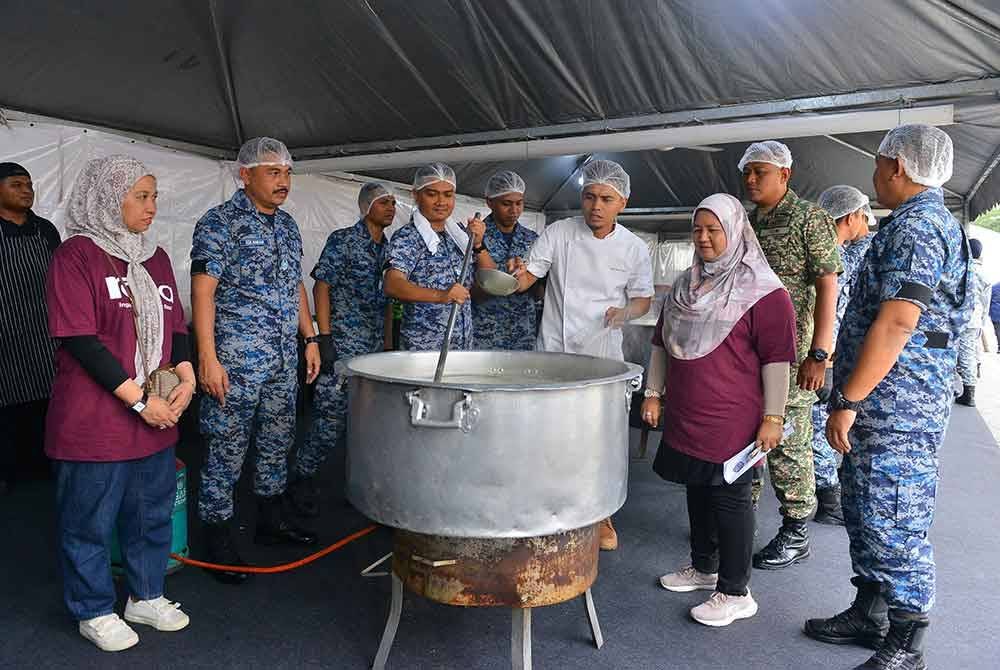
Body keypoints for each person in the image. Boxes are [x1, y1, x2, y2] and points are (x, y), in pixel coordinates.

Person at [805, 124, 969, 670]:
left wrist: (848, 400)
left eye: (878, 164)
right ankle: (870, 612)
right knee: (865, 508)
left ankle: (906, 643)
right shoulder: (913, 223)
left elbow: (899, 321)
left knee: (894, 517)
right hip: (887, 401)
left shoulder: (920, 228)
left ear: (897, 165)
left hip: (899, 406)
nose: (874, 176)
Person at [45, 156, 195, 651]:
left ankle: (146, 595)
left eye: (154, 196)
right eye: (141, 196)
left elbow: (175, 327)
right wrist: (138, 402)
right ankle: (92, 609)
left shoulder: (156, 257)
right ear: (109, 198)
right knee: (88, 521)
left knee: (151, 514)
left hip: (155, 420)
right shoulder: (76, 256)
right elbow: (80, 340)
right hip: (96, 421)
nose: (153, 207)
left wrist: (187, 374)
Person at [641, 194, 797, 627]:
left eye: (714, 230)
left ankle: (735, 591)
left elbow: (777, 360)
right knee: (697, 487)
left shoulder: (764, 293)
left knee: (730, 498)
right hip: (688, 410)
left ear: (736, 232)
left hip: (733, 417)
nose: (704, 238)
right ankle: (704, 567)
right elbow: (661, 343)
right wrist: (653, 392)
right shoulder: (684, 287)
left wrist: (773, 417)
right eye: (698, 229)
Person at [191, 137, 321, 585]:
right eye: (273, 172)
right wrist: (207, 358)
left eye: (287, 172)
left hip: (282, 358)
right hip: (237, 361)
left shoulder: (287, 225)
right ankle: (217, 535)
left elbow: (296, 284)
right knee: (225, 448)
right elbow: (203, 292)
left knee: (277, 441)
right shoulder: (219, 223)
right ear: (245, 175)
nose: (283, 181)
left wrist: (310, 337)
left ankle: (270, 518)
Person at [509, 159, 654, 550]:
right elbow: (529, 276)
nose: (596, 206)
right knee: (547, 434)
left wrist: (625, 312)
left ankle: (600, 514)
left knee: (597, 438)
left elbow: (643, 300)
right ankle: (544, 507)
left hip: (601, 356)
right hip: (553, 351)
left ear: (622, 203)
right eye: (589, 197)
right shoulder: (559, 232)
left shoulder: (634, 248)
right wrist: (514, 277)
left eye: (606, 199)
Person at [740, 141, 843, 570]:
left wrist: (820, 352)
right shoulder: (746, 222)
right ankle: (739, 520)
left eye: (760, 172)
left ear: (784, 175)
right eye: (747, 173)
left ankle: (796, 531)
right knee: (745, 434)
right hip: (748, 352)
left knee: (788, 443)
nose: (751, 180)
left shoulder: (808, 218)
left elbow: (828, 284)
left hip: (794, 356)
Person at [289, 182, 396, 516]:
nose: (391, 208)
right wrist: (325, 337)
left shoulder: (390, 249)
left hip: (373, 349)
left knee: (368, 421)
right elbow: (321, 286)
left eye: (394, 203)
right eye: (384, 202)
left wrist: (388, 346)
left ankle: (358, 484)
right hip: (343, 344)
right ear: (367, 207)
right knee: (330, 418)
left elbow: (389, 301)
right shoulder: (344, 240)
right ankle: (301, 477)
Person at [809, 185, 876, 525]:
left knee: (818, 425)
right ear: (851, 216)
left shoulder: (838, 255)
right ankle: (840, 497)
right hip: (853, 356)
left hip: (830, 356)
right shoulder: (869, 252)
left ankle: (831, 500)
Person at [383, 163, 494, 351]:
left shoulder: (460, 235)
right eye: (432, 194)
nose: (441, 202)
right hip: (423, 350)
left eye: (448, 195)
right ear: (416, 195)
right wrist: (441, 296)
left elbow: (490, 279)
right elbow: (392, 284)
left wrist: (478, 244)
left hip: (462, 348)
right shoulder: (408, 237)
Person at [0, 162, 61, 494]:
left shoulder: (45, 230)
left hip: (44, 333)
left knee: (49, 403)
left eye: (30, 185)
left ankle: (48, 467)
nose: (27, 190)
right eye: (16, 184)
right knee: (7, 408)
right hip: (4, 334)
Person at [471, 170, 540, 350]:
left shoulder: (532, 239)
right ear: (489, 202)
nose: (514, 210)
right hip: (485, 333)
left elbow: (539, 292)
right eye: (506, 204)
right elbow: (466, 289)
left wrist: (530, 279)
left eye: (519, 203)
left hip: (522, 333)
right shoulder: (473, 237)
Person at [954, 238, 990, 406]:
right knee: (969, 351)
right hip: (974, 317)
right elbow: (985, 301)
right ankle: (968, 387)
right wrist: (982, 320)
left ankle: (968, 393)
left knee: (959, 352)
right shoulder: (983, 274)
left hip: (958, 316)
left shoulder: (961, 267)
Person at [992, 281, 1000, 353]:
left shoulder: (994, 287)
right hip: (996, 312)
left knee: (998, 331)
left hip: (995, 313)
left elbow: (989, 301)